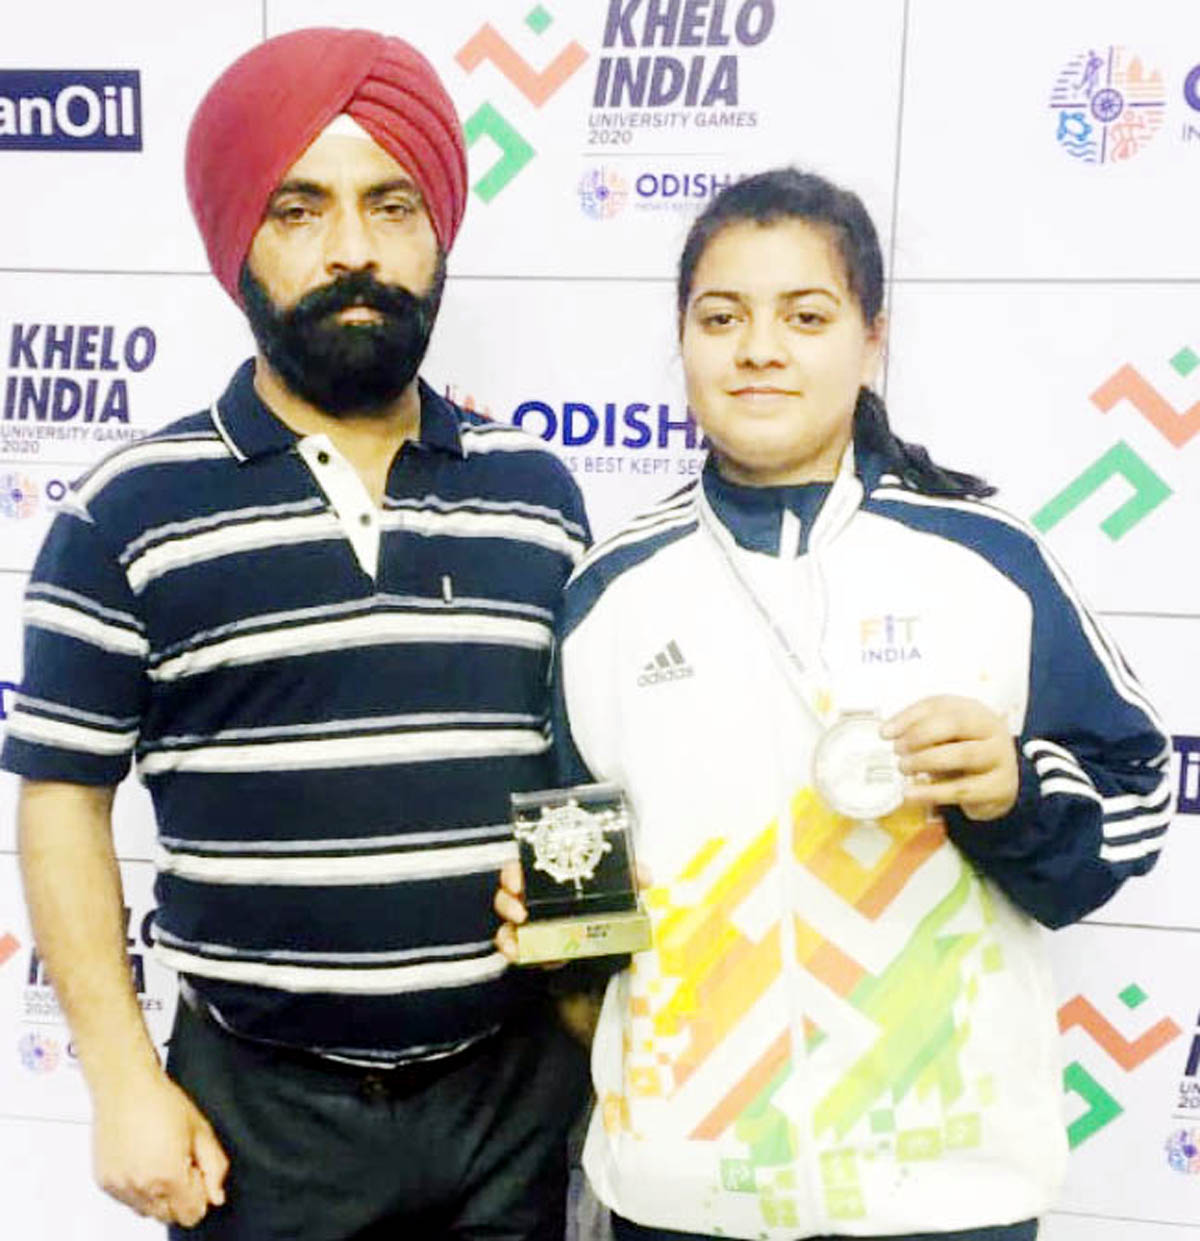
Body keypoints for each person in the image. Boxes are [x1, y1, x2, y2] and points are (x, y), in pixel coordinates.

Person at [495, 168, 1172, 1241]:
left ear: (871, 342)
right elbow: (580, 897)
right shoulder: (608, 594)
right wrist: (558, 929)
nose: (760, 347)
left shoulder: (986, 559)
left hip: (946, 1197)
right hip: (681, 1198)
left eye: (805, 316)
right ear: (682, 342)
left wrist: (1015, 792)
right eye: (722, 317)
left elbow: (1139, 791)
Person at [3, 27, 591, 1241]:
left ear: (440, 233)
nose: (355, 251)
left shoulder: (542, 496)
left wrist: (602, 1023)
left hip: (515, 1100)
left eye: (392, 203)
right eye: (299, 209)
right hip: (260, 1122)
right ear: (239, 246)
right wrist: (120, 1081)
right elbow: (62, 797)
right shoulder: (126, 514)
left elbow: (584, 776)